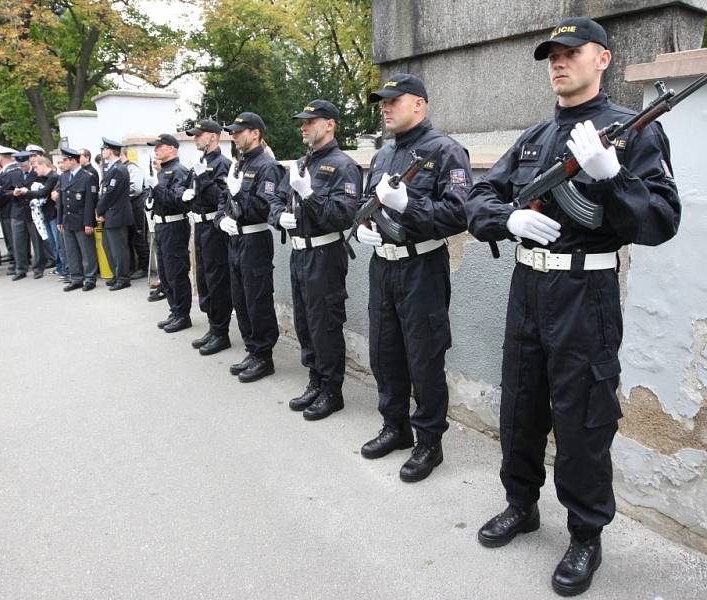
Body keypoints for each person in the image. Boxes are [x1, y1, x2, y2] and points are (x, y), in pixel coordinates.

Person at [466, 18, 681, 597]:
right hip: (528, 290)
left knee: (584, 418)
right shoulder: (535, 136)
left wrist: (612, 179)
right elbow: (479, 195)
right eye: (552, 56)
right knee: (522, 404)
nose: (559, 64)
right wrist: (505, 219)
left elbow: (661, 220)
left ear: (603, 60)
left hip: (586, 296)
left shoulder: (630, 132)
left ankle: (586, 535)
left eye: (571, 53)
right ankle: (521, 504)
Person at [355, 74, 471, 482]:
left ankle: (429, 442)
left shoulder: (445, 151)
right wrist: (361, 229)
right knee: (384, 351)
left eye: (394, 100)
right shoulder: (384, 155)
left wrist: (409, 207)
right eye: (382, 102)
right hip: (382, 265)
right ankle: (395, 426)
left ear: (419, 104)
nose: (385, 107)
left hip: (421, 266)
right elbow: (364, 204)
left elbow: (459, 215)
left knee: (424, 357)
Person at [270, 100, 362, 419]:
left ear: (330, 124)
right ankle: (315, 380)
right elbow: (277, 200)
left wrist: (309, 195)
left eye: (311, 121)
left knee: (325, 323)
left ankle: (331, 390)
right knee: (305, 322)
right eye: (303, 122)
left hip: (324, 253)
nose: (304, 126)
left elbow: (342, 216)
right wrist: (279, 216)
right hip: (299, 252)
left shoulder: (343, 166)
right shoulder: (299, 164)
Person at [216, 112, 284, 382]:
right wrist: (222, 219)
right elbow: (224, 200)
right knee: (240, 299)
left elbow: (263, 207)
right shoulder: (238, 165)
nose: (233, 136)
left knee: (257, 299)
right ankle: (252, 349)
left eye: (238, 132)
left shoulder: (267, 166)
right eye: (232, 132)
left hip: (255, 240)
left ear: (255, 133)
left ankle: (264, 356)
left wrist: (238, 194)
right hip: (235, 238)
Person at [184, 119, 233, 356]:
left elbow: (222, 198)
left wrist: (203, 180)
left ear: (213, 137)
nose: (195, 139)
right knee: (203, 276)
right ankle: (214, 327)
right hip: (200, 224)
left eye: (198, 135)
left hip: (215, 226)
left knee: (216, 278)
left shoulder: (223, 164)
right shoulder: (200, 163)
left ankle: (220, 331)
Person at [147, 133, 193, 332]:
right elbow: (157, 198)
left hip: (174, 226)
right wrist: (149, 200)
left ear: (172, 148)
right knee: (165, 273)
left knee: (176, 273)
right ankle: (174, 310)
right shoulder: (161, 171)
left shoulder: (179, 171)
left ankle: (183, 314)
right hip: (161, 226)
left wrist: (156, 187)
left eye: (160, 146)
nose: (156, 150)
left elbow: (177, 201)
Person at [57, 147, 99, 291]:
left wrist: (89, 222)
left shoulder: (87, 176)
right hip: (68, 220)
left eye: (64, 160)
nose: (62, 163)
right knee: (71, 251)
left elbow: (89, 202)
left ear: (72, 160)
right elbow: (61, 201)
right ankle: (76, 278)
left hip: (81, 220)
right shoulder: (63, 177)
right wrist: (59, 220)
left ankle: (90, 278)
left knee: (87, 251)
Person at [97, 138, 134, 291]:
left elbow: (110, 194)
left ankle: (123, 277)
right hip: (111, 214)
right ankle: (116, 275)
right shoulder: (112, 168)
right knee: (109, 247)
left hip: (116, 214)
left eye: (104, 149)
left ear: (110, 150)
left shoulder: (118, 169)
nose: (102, 151)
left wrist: (99, 209)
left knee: (118, 249)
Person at [6, 151, 45, 280]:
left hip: (32, 210)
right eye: (20, 165)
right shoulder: (12, 174)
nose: (23, 167)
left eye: (25, 164)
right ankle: (21, 268)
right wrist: (13, 193)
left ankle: (38, 268)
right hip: (17, 211)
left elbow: (42, 190)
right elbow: (4, 192)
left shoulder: (36, 174)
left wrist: (28, 192)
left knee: (37, 242)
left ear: (29, 162)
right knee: (18, 242)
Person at [19, 156, 61, 274]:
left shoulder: (53, 177)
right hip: (47, 214)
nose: (35, 170)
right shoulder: (43, 178)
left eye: (36, 167)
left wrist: (26, 192)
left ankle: (62, 268)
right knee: (52, 243)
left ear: (43, 165)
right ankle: (59, 267)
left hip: (53, 214)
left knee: (57, 244)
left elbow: (42, 192)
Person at [119, 146, 150, 280]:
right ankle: (132, 267)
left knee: (139, 236)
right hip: (128, 206)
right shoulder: (121, 168)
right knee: (129, 238)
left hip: (137, 206)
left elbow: (136, 189)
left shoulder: (132, 168)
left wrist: (119, 197)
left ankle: (144, 267)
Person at [0, 145, 20, 269]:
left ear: (2, 158)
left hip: (8, 207)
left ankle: (17, 261)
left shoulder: (10, 171)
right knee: (10, 236)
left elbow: (3, 192)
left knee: (13, 237)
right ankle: (14, 256)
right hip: (5, 208)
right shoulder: (6, 171)